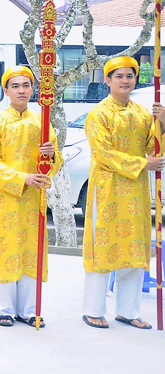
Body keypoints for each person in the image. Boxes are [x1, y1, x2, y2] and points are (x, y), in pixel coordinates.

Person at [82, 56, 164, 330]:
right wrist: (142, 163)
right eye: (119, 76)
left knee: (134, 248)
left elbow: (154, 149)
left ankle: (128, 311)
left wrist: (163, 123)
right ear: (108, 80)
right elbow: (103, 153)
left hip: (136, 191)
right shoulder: (98, 114)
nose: (125, 81)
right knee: (103, 248)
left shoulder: (143, 113)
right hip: (107, 190)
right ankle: (93, 309)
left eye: (130, 76)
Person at [0, 66, 61, 328]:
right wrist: (22, 178)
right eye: (15, 86)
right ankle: (4, 308)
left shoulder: (42, 121)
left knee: (31, 250)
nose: (21, 90)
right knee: (7, 249)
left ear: (32, 89)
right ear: (6, 90)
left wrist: (52, 155)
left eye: (26, 85)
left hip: (34, 198)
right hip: (7, 196)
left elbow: (54, 161)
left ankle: (29, 309)